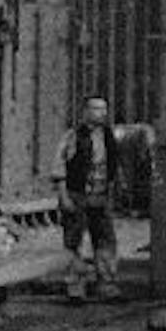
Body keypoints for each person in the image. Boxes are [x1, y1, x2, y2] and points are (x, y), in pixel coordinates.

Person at [51, 93, 122, 301]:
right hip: (77, 194)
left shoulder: (109, 136)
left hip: (101, 195)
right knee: (73, 242)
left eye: (103, 109)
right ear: (85, 112)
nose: (100, 113)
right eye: (95, 108)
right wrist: (64, 197)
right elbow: (59, 167)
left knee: (105, 240)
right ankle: (75, 286)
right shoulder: (72, 136)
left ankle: (106, 283)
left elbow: (114, 166)